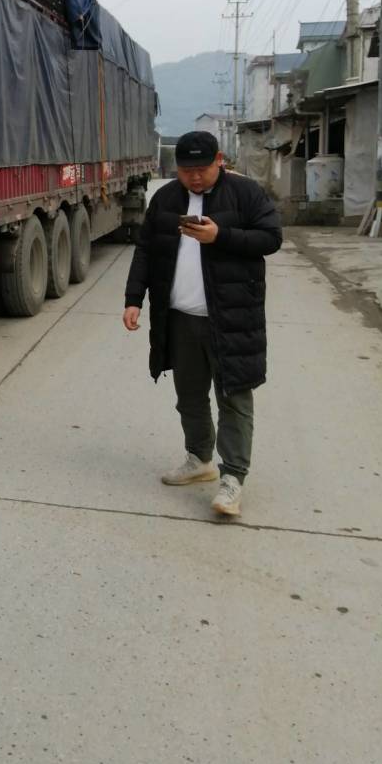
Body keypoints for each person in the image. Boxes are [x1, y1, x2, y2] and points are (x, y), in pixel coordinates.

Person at [122, 131, 282, 517]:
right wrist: (133, 299)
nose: (194, 178)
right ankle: (199, 460)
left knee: (234, 399)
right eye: (186, 170)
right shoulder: (166, 199)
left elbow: (271, 237)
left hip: (230, 319)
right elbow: (145, 249)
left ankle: (233, 478)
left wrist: (220, 235)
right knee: (189, 396)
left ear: (219, 160)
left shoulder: (245, 194)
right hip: (179, 318)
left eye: (202, 169)